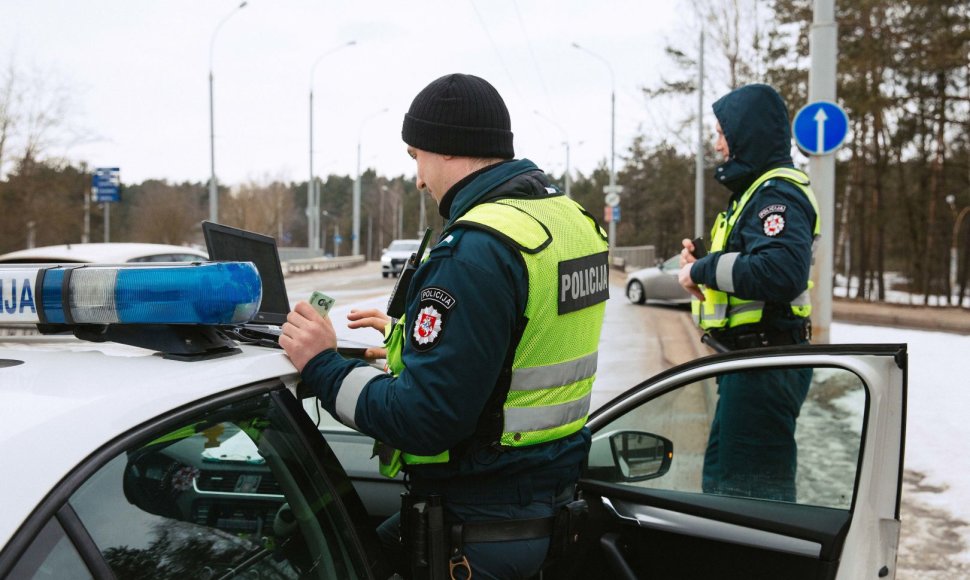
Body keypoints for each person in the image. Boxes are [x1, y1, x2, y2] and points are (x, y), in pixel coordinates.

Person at [281, 73, 609, 579]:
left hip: (477, 527)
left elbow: (426, 420)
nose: (417, 178)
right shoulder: (572, 222)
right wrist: (400, 341)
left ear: (448, 149)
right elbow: (516, 347)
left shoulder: (477, 249)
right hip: (548, 508)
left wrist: (323, 364)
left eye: (416, 157)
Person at [678, 83, 819, 502]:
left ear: (746, 134)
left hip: (765, 366)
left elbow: (780, 272)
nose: (719, 146)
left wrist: (702, 268)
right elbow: (753, 266)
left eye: (723, 134)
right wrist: (704, 266)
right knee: (726, 492)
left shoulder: (776, 193)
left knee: (754, 502)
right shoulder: (755, 193)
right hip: (750, 364)